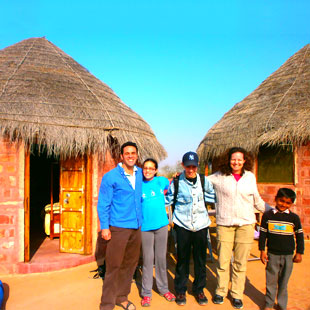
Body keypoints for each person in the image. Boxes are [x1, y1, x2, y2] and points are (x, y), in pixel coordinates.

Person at [207, 147, 269, 309]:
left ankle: (236, 294)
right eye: (233, 159)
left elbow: (257, 200)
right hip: (225, 224)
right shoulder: (219, 177)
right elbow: (201, 181)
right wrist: (183, 176)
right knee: (223, 261)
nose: (236, 162)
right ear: (228, 160)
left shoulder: (249, 177)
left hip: (246, 224)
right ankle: (220, 291)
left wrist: (273, 212)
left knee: (240, 263)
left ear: (244, 161)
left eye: (239, 159)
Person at [165, 151, 215, 306]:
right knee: (182, 259)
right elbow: (167, 200)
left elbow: (212, 196)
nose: (191, 169)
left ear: (197, 166)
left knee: (200, 259)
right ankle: (180, 290)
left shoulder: (203, 180)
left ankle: (199, 289)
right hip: (182, 225)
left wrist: (201, 201)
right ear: (183, 166)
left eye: (193, 166)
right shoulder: (177, 182)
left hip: (201, 225)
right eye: (188, 166)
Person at [97, 141, 143, 310]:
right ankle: (107, 303)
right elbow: (103, 204)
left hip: (136, 227)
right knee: (113, 266)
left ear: (137, 155)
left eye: (133, 153)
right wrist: (105, 227)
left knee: (130, 265)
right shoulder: (111, 176)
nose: (130, 156)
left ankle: (122, 297)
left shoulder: (140, 175)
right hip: (118, 228)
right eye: (127, 153)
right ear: (122, 156)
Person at [259, 188, 304, 310]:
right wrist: (262, 250)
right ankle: (268, 304)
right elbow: (263, 234)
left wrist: (299, 253)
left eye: (287, 202)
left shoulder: (294, 218)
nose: (283, 204)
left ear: (291, 204)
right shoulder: (267, 216)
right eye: (281, 201)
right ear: (276, 199)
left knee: (284, 282)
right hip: (272, 254)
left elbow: (300, 236)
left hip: (288, 256)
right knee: (271, 281)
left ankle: (282, 305)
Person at [140, 158, 175, 307]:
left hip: (161, 226)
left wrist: (176, 177)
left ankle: (163, 289)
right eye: (145, 168)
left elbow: (171, 181)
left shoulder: (161, 181)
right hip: (145, 228)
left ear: (155, 170)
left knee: (161, 259)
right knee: (148, 260)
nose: (148, 170)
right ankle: (146, 293)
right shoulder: (138, 185)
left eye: (151, 168)